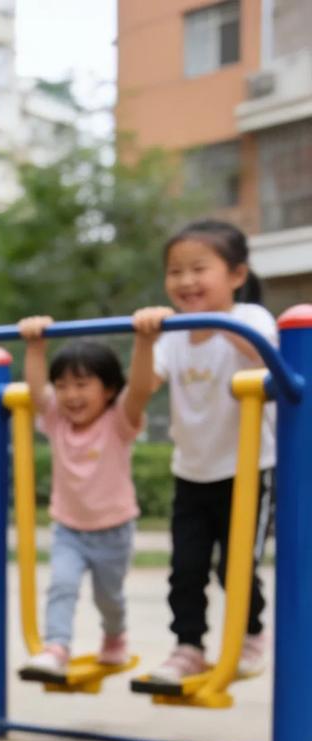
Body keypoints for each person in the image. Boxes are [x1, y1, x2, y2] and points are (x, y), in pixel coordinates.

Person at [125, 219, 277, 684]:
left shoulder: (251, 321)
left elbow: (271, 362)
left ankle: (250, 633)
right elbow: (142, 391)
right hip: (191, 471)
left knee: (236, 565)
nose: (186, 281)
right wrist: (146, 341)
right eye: (175, 271)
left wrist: (214, 320)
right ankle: (188, 646)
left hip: (251, 470)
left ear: (236, 275)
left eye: (198, 269)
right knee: (185, 569)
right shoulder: (172, 334)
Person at [16, 319, 156, 677]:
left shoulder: (119, 421)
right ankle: (57, 646)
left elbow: (140, 389)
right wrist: (34, 346)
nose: (70, 395)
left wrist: (145, 340)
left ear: (109, 389)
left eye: (82, 384)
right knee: (61, 586)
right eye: (62, 385)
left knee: (108, 598)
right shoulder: (55, 420)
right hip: (70, 529)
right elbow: (36, 390)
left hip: (114, 529)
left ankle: (114, 636)